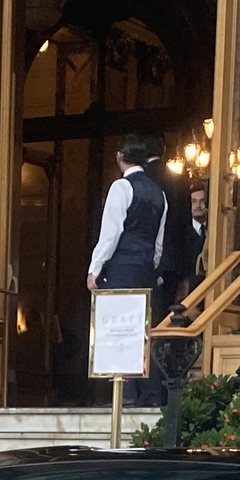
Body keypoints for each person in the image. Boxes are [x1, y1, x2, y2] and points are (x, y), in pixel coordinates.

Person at [88, 134, 170, 405]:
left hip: (121, 267)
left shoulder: (121, 188)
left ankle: (125, 395)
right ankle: (150, 395)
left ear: (120, 157)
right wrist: (151, 266)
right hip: (146, 268)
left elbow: (110, 233)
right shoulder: (160, 194)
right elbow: (159, 242)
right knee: (143, 331)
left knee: (120, 330)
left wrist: (95, 267)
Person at [150, 179, 210, 403]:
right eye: (194, 201)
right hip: (185, 296)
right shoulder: (182, 233)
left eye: (202, 201)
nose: (198, 206)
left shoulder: (214, 233)